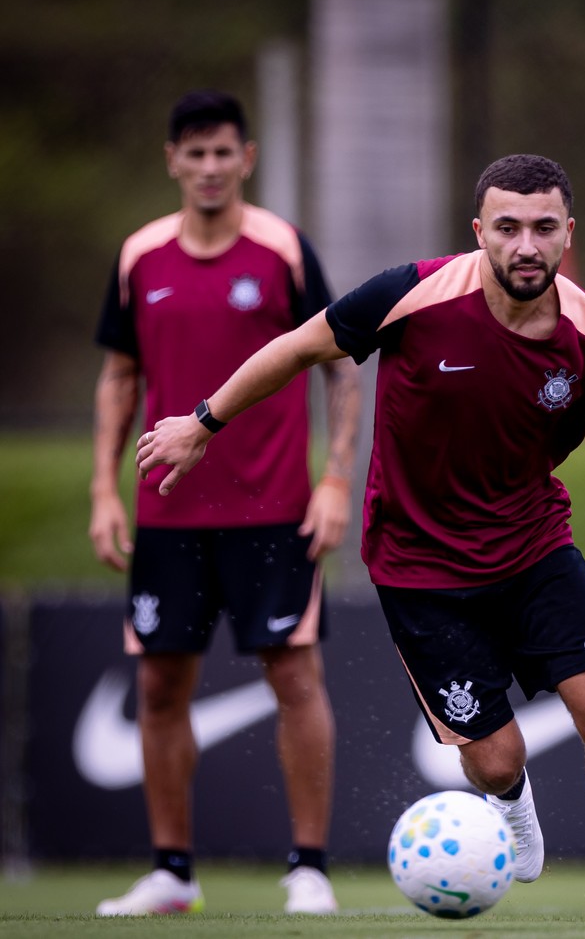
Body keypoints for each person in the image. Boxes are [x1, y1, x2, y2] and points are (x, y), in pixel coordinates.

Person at [135, 153, 585, 925]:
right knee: (497, 760)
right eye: (507, 227)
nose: (525, 245)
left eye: (543, 228)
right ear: (479, 231)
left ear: (567, 233)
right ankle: (511, 803)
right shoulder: (410, 295)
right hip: (419, 568)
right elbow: (298, 347)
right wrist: (203, 422)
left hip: (535, 547)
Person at [89, 90, 361, 916]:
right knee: (159, 687)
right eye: (194, 152)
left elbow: (340, 367)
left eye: (222, 153)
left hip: (275, 510)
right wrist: (104, 488)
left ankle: (308, 868)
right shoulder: (139, 257)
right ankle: (172, 872)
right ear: (172, 160)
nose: (209, 168)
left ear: (247, 159)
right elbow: (119, 378)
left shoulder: (283, 251)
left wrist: (336, 478)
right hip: (166, 516)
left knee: (296, 676)